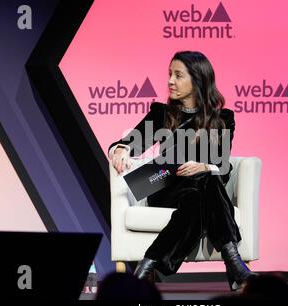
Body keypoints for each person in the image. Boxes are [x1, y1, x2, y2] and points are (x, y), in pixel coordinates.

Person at [108, 51, 256, 291]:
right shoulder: (161, 114)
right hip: (165, 187)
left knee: (201, 187)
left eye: (178, 75)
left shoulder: (222, 119)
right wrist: (122, 148)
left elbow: (223, 167)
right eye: (169, 75)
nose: (170, 81)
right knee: (205, 182)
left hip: (200, 192)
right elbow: (129, 142)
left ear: (198, 79)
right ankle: (234, 263)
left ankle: (148, 263)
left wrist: (205, 166)